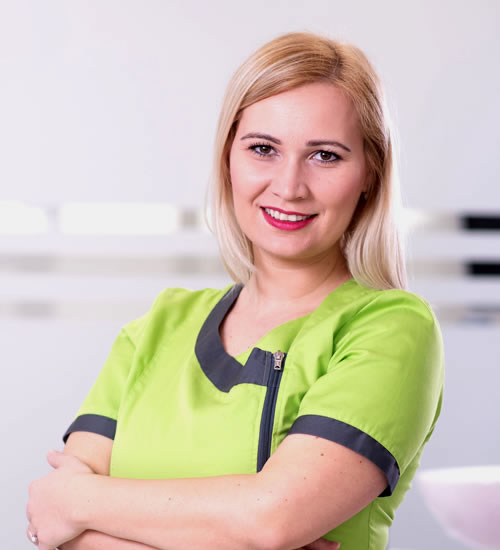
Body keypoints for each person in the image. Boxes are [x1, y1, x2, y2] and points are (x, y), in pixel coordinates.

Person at [26, 31, 444, 550]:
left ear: (370, 175)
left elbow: (272, 520)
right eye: (263, 149)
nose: (289, 186)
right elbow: (56, 523)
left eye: (325, 156)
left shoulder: (392, 327)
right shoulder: (158, 327)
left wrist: (83, 502)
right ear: (228, 158)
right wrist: (238, 532)